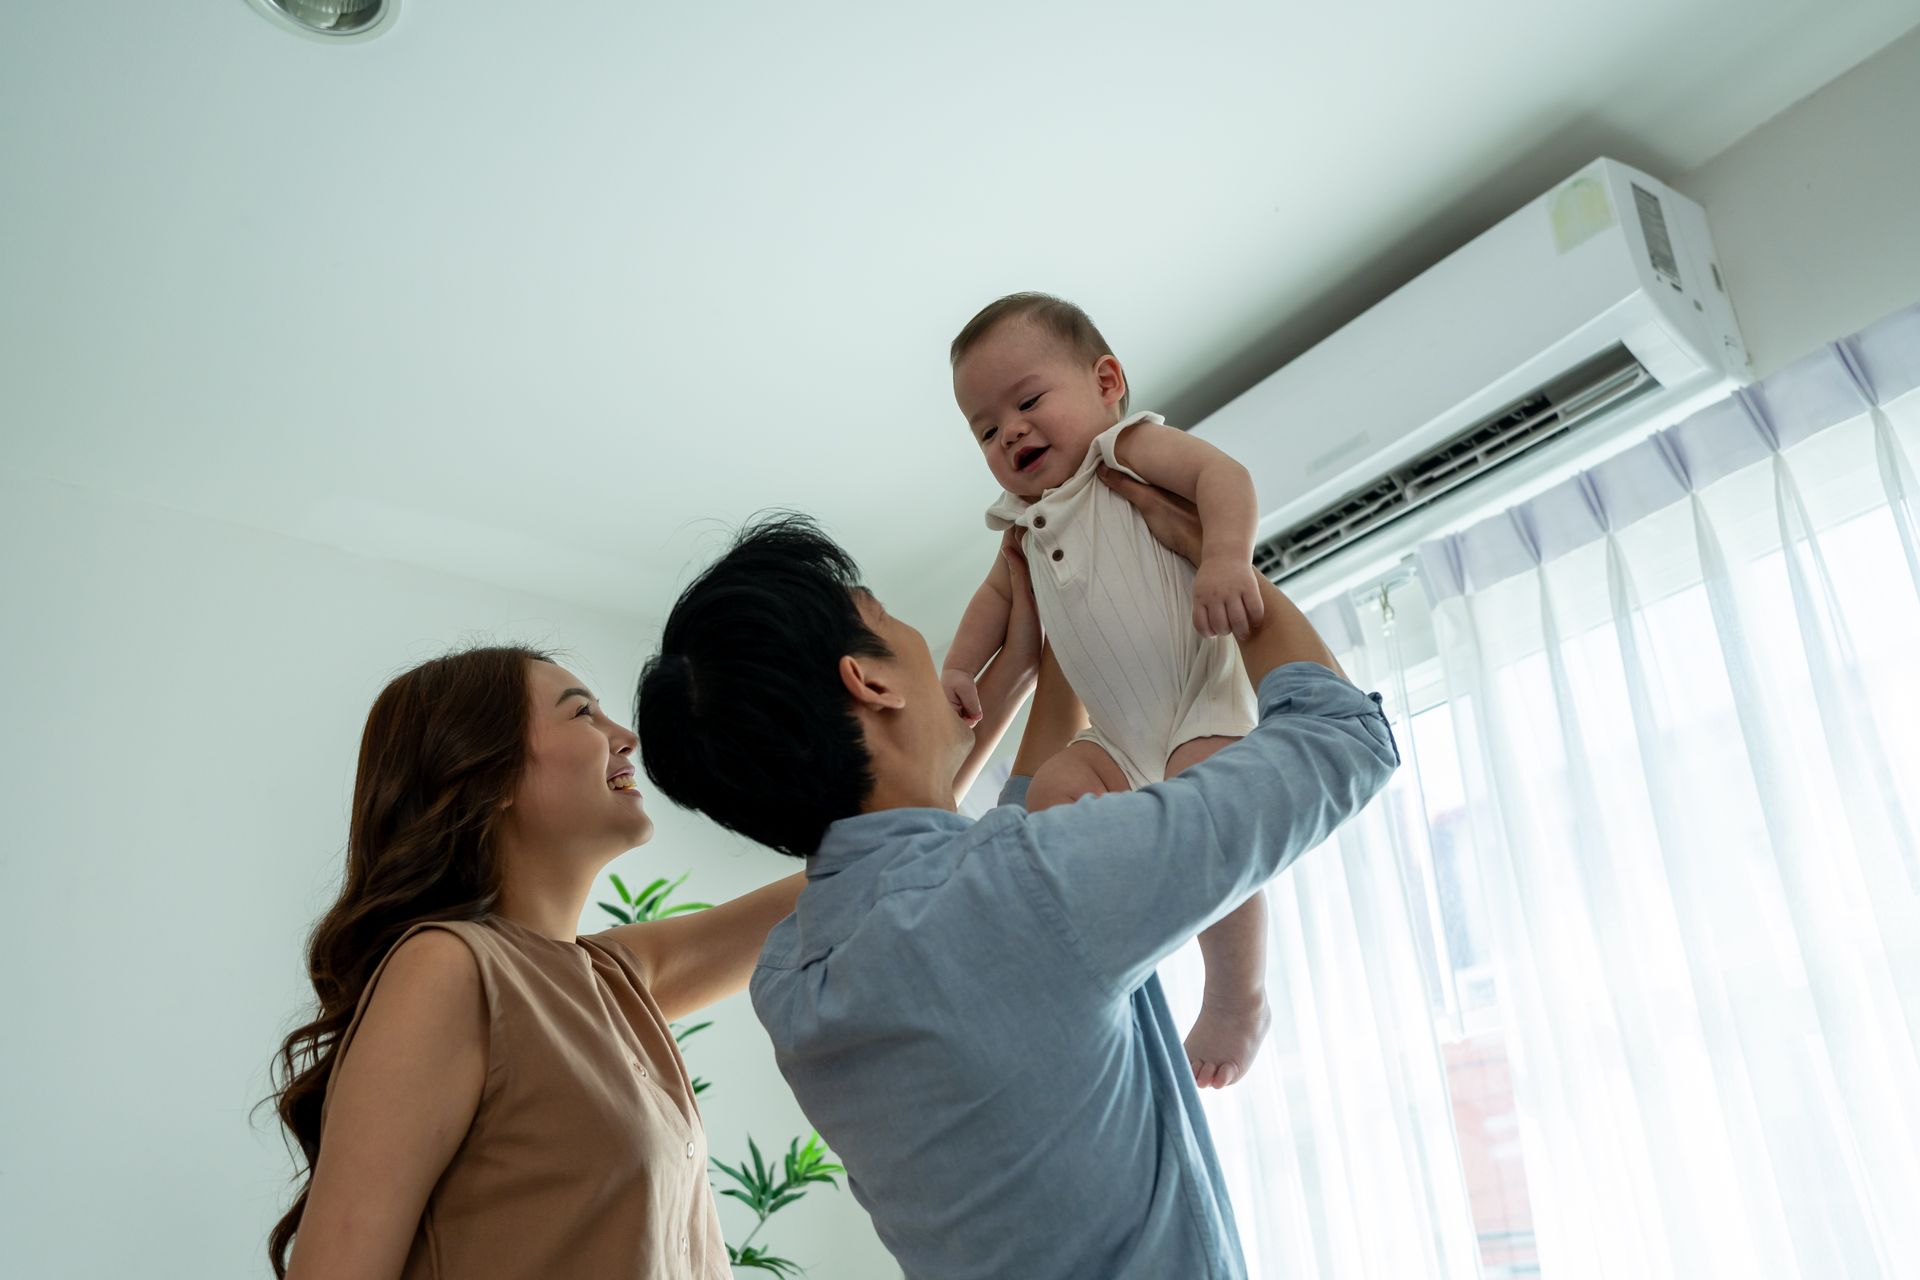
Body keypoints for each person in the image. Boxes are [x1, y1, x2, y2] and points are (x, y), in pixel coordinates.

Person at [634, 483, 1397, 1280]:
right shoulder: (1019, 888)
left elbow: (998, 881)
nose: (923, 640)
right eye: (890, 617)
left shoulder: (791, 981)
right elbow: (1343, 739)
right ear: (869, 681)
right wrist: (1216, 558)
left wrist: (1060, 645)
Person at [266, 628, 1041, 1278]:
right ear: (488, 772)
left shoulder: (608, 981)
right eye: (582, 713)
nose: (623, 735)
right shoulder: (446, 969)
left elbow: (869, 860)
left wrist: (1028, 668)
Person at [941, 290, 1271, 1088]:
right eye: (986, 429)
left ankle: (1237, 994)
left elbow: (1223, 475)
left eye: (1028, 401)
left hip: (1198, 693)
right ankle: (1123, 944)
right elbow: (995, 603)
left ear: (1107, 383)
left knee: (1210, 828)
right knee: (1052, 792)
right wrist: (958, 666)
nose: (1009, 431)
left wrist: (1226, 556)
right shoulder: (1023, 520)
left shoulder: (1130, 449)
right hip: (1116, 733)